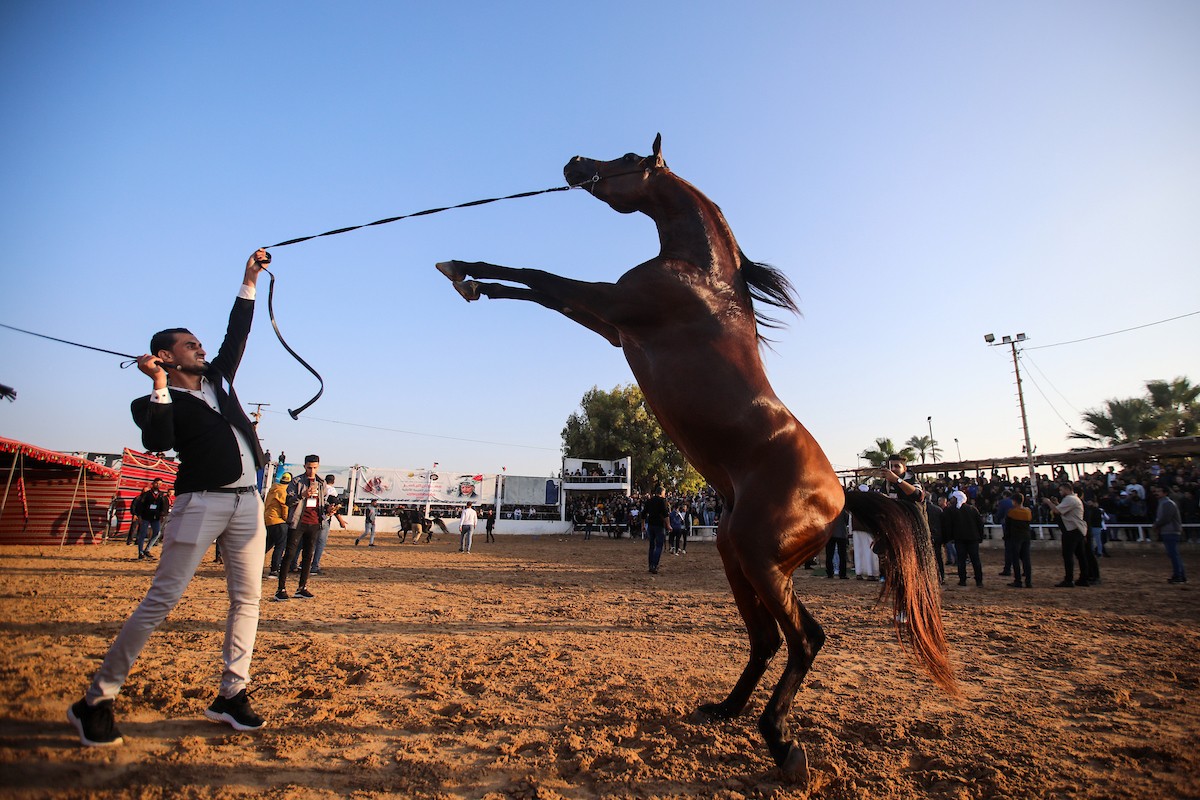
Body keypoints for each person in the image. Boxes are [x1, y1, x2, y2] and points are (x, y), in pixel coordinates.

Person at [68, 249, 271, 748]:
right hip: (201, 503)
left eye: (200, 343)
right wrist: (159, 384)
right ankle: (96, 699)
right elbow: (157, 443)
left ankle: (231, 694)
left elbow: (237, 333)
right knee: (162, 600)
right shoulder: (152, 399)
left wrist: (248, 279)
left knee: (247, 601)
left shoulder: (218, 378)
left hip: (249, 503)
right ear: (165, 355)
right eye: (189, 345)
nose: (200, 349)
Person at [276, 455, 325, 601]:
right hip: (298, 522)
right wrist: (302, 495)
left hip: (314, 523)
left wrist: (328, 510)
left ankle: (302, 588)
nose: (312, 471)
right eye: (309, 467)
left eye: (315, 468)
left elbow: (321, 503)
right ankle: (281, 589)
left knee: (308, 556)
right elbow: (288, 501)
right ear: (304, 466)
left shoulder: (321, 483)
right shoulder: (296, 481)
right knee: (289, 554)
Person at [1043, 484, 1089, 587]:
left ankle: (1069, 579)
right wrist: (1056, 503)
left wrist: (1048, 502)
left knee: (1068, 555)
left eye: (1061, 490)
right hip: (1078, 530)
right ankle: (1083, 578)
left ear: (1067, 490)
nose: (1060, 492)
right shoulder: (1074, 499)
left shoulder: (1070, 499)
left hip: (1071, 530)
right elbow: (1063, 510)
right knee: (1081, 555)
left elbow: (1057, 511)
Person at [309, 474, 346, 575]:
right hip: (324, 518)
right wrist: (340, 520)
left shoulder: (315, 489)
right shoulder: (333, 491)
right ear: (333, 481)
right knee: (320, 543)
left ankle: (300, 563)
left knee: (309, 542)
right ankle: (314, 566)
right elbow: (334, 506)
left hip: (312, 517)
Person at [1151, 485, 1186, 583]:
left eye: (1159, 491)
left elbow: (1166, 518)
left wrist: (1156, 525)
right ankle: (1180, 576)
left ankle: (1178, 576)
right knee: (1174, 554)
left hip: (1171, 531)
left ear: (1165, 493)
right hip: (1170, 531)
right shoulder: (1165, 503)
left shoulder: (1167, 503)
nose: (1156, 493)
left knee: (1173, 554)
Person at [949, 496, 984, 587]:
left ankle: (962, 580)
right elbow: (980, 524)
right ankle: (979, 581)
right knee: (975, 560)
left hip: (960, 539)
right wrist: (980, 536)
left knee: (961, 560)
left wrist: (951, 537)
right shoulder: (973, 509)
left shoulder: (953, 510)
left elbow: (950, 525)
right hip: (973, 539)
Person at [132, 479, 169, 561]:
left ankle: (147, 550)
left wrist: (162, 514)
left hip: (156, 517)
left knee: (157, 533)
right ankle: (140, 552)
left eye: (160, 484)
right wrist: (139, 515)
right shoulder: (146, 495)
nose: (158, 485)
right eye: (157, 483)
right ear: (153, 484)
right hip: (145, 516)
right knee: (143, 534)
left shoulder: (161, 495)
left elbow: (164, 506)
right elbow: (140, 505)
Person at [263, 472, 291, 577]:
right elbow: (285, 506)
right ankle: (274, 569)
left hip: (268, 520)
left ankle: (253, 566)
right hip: (278, 521)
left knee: (265, 546)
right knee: (280, 546)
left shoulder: (272, 489)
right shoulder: (283, 490)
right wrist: (287, 519)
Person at [1005, 494, 1033, 588]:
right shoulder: (1028, 511)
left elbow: (1007, 526)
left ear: (1015, 501)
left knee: (1015, 559)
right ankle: (1028, 581)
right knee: (1026, 559)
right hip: (1026, 536)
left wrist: (1006, 537)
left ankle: (1018, 580)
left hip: (1015, 537)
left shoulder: (1012, 512)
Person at [643, 486, 670, 574]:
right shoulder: (662, 501)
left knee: (652, 546)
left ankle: (650, 565)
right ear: (662, 492)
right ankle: (654, 565)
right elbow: (666, 514)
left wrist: (643, 525)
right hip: (659, 526)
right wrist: (669, 525)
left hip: (650, 525)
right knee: (659, 546)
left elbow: (643, 514)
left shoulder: (649, 500)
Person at [825, 509, 849, 579]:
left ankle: (830, 573)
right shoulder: (843, 510)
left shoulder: (828, 510)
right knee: (842, 555)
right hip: (841, 534)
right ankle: (842, 574)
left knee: (829, 555)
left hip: (830, 534)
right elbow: (847, 521)